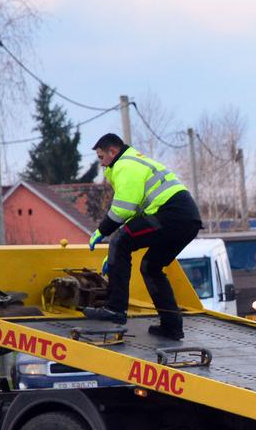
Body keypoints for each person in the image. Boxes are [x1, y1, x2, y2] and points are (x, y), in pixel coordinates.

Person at [82, 133, 202, 340]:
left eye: (102, 158)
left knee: (121, 241)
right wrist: (114, 257)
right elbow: (136, 216)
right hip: (187, 220)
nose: (101, 164)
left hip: (171, 215)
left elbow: (122, 210)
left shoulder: (125, 166)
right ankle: (172, 327)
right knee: (150, 267)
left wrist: (102, 231)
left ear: (113, 151)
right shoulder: (137, 162)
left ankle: (115, 309)